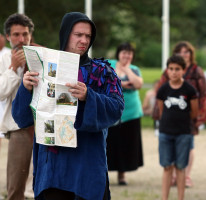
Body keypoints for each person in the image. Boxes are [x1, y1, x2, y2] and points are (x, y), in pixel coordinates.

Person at [11, 12, 124, 200]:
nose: (83, 40)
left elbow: (117, 109)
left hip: (87, 163)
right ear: (66, 34)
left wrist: (89, 96)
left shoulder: (103, 72)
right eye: (78, 35)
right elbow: (21, 118)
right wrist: (25, 88)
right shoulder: (43, 67)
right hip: (53, 167)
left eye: (88, 36)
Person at [153, 41, 206, 188]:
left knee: (188, 145)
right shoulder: (169, 71)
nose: (183, 54)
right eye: (180, 52)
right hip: (171, 115)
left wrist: (200, 114)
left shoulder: (197, 71)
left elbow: (202, 94)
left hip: (189, 113)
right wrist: (161, 114)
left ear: (191, 54)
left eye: (186, 52)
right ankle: (172, 175)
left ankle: (185, 175)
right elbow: (161, 92)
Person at [0, 13, 36, 200]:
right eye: (16, 35)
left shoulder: (41, 55)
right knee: (16, 186)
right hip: (19, 127)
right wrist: (14, 68)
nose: (21, 39)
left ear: (30, 35)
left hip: (45, 125)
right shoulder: (3, 60)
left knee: (47, 181)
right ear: (7, 37)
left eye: (25, 34)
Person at [157, 55, 198, 200]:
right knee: (167, 167)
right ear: (167, 70)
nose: (174, 72)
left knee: (181, 167)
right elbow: (162, 111)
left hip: (183, 134)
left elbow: (194, 112)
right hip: (165, 133)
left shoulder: (189, 90)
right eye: (171, 69)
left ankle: (180, 197)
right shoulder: (163, 90)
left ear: (183, 70)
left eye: (177, 69)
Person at [106, 42, 144, 185]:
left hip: (130, 112)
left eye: (129, 53)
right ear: (118, 53)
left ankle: (122, 175)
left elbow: (138, 84)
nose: (126, 56)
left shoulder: (134, 69)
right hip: (111, 110)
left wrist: (127, 70)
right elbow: (102, 81)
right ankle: (105, 174)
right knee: (109, 144)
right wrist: (121, 84)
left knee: (125, 144)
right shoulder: (109, 64)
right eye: (124, 52)